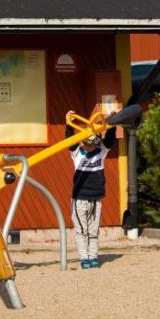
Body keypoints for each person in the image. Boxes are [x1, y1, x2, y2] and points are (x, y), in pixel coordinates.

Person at [65, 107, 117, 268]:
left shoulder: (101, 151)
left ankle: (93, 256)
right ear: (83, 141)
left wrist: (113, 123)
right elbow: (69, 140)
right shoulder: (76, 153)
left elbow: (110, 139)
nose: (91, 147)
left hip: (96, 197)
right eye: (88, 143)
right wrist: (69, 124)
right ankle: (84, 258)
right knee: (82, 230)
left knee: (94, 230)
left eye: (93, 144)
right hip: (80, 197)